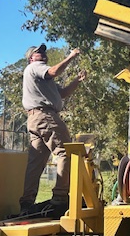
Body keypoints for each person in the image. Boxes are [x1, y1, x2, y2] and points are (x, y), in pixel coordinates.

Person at [18, 43, 87, 215]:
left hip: (34, 119)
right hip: (45, 116)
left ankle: (26, 203)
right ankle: (60, 198)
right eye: (38, 52)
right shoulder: (36, 68)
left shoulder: (39, 79)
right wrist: (71, 56)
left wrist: (77, 81)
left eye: (43, 52)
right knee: (66, 152)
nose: (42, 54)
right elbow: (54, 71)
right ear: (31, 58)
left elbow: (62, 94)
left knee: (36, 162)